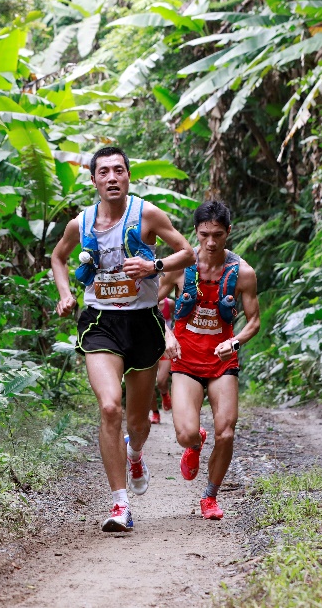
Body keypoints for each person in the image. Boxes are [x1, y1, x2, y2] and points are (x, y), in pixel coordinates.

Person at [51, 146, 194, 532]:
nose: (112, 177)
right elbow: (58, 258)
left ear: (128, 176)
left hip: (143, 322)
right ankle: (119, 505)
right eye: (104, 172)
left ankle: (135, 453)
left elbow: (188, 252)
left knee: (138, 422)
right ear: (94, 180)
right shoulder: (80, 223)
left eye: (119, 170)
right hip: (100, 321)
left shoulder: (146, 214)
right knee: (110, 408)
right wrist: (65, 293)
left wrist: (154, 265)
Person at [157, 200, 260, 521]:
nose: (211, 242)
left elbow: (254, 321)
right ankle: (194, 443)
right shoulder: (179, 268)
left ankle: (210, 497)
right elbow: (149, 304)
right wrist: (168, 336)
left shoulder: (243, 273)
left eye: (218, 234)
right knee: (185, 434)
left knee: (227, 432)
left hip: (222, 362)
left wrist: (235, 340)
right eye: (204, 235)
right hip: (185, 360)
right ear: (196, 233)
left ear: (229, 232)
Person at [150, 296, 175, 425]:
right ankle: (155, 413)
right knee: (148, 386)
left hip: (166, 348)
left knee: (161, 380)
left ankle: (165, 394)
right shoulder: (143, 301)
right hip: (148, 348)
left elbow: (181, 318)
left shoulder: (169, 304)